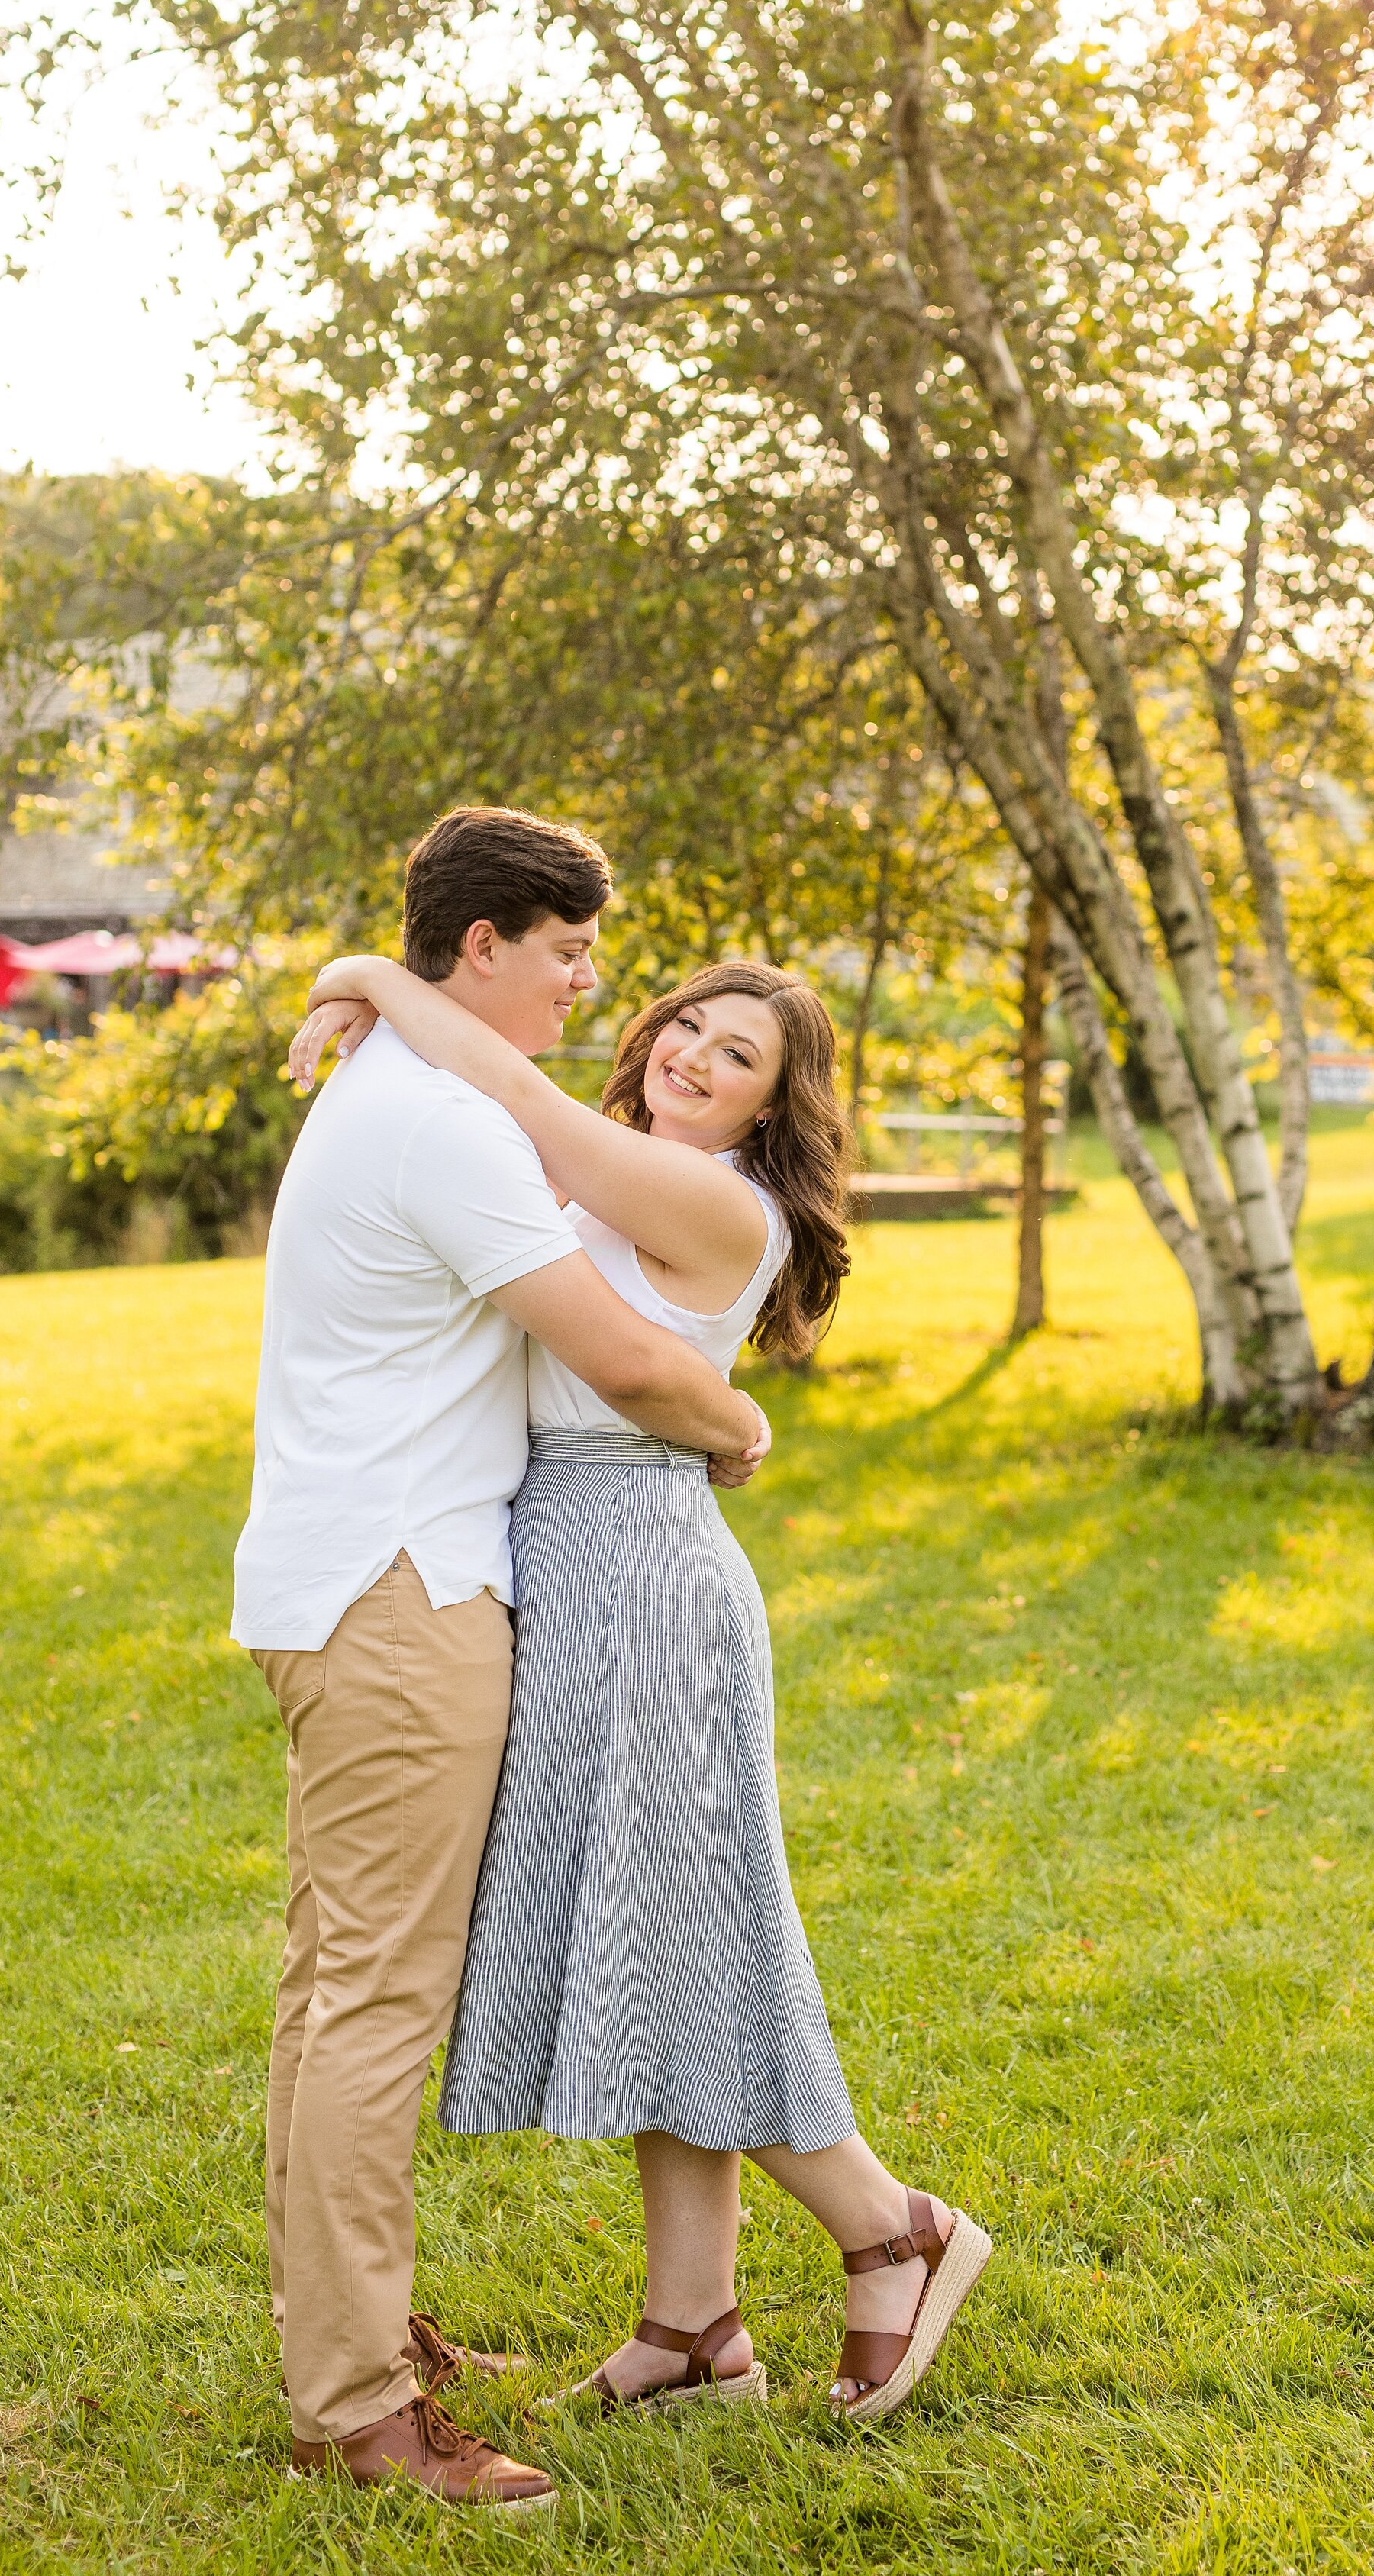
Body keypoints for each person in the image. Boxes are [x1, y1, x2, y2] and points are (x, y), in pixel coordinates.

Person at [291, 948, 992, 2426]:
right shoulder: (614, 1183)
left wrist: (367, 974)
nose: (692, 1057)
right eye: (686, 1024)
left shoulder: (706, 1196)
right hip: (576, 1560)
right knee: (658, 1930)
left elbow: (508, 1088)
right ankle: (691, 2333)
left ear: (767, 1105)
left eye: (736, 1056)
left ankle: (891, 2229)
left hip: (644, 1582)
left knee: (698, 1932)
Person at [236, 807, 769, 2511]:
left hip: (345, 1575)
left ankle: (356, 2334)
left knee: (335, 1990)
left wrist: (354, 981)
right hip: (404, 1593)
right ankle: (357, 2408)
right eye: (565, 952)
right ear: (483, 952)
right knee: (376, 2001)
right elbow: (627, 1359)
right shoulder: (441, 1127)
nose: (586, 982)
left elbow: (477, 1059)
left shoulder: (402, 1080)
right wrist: (737, 1418)